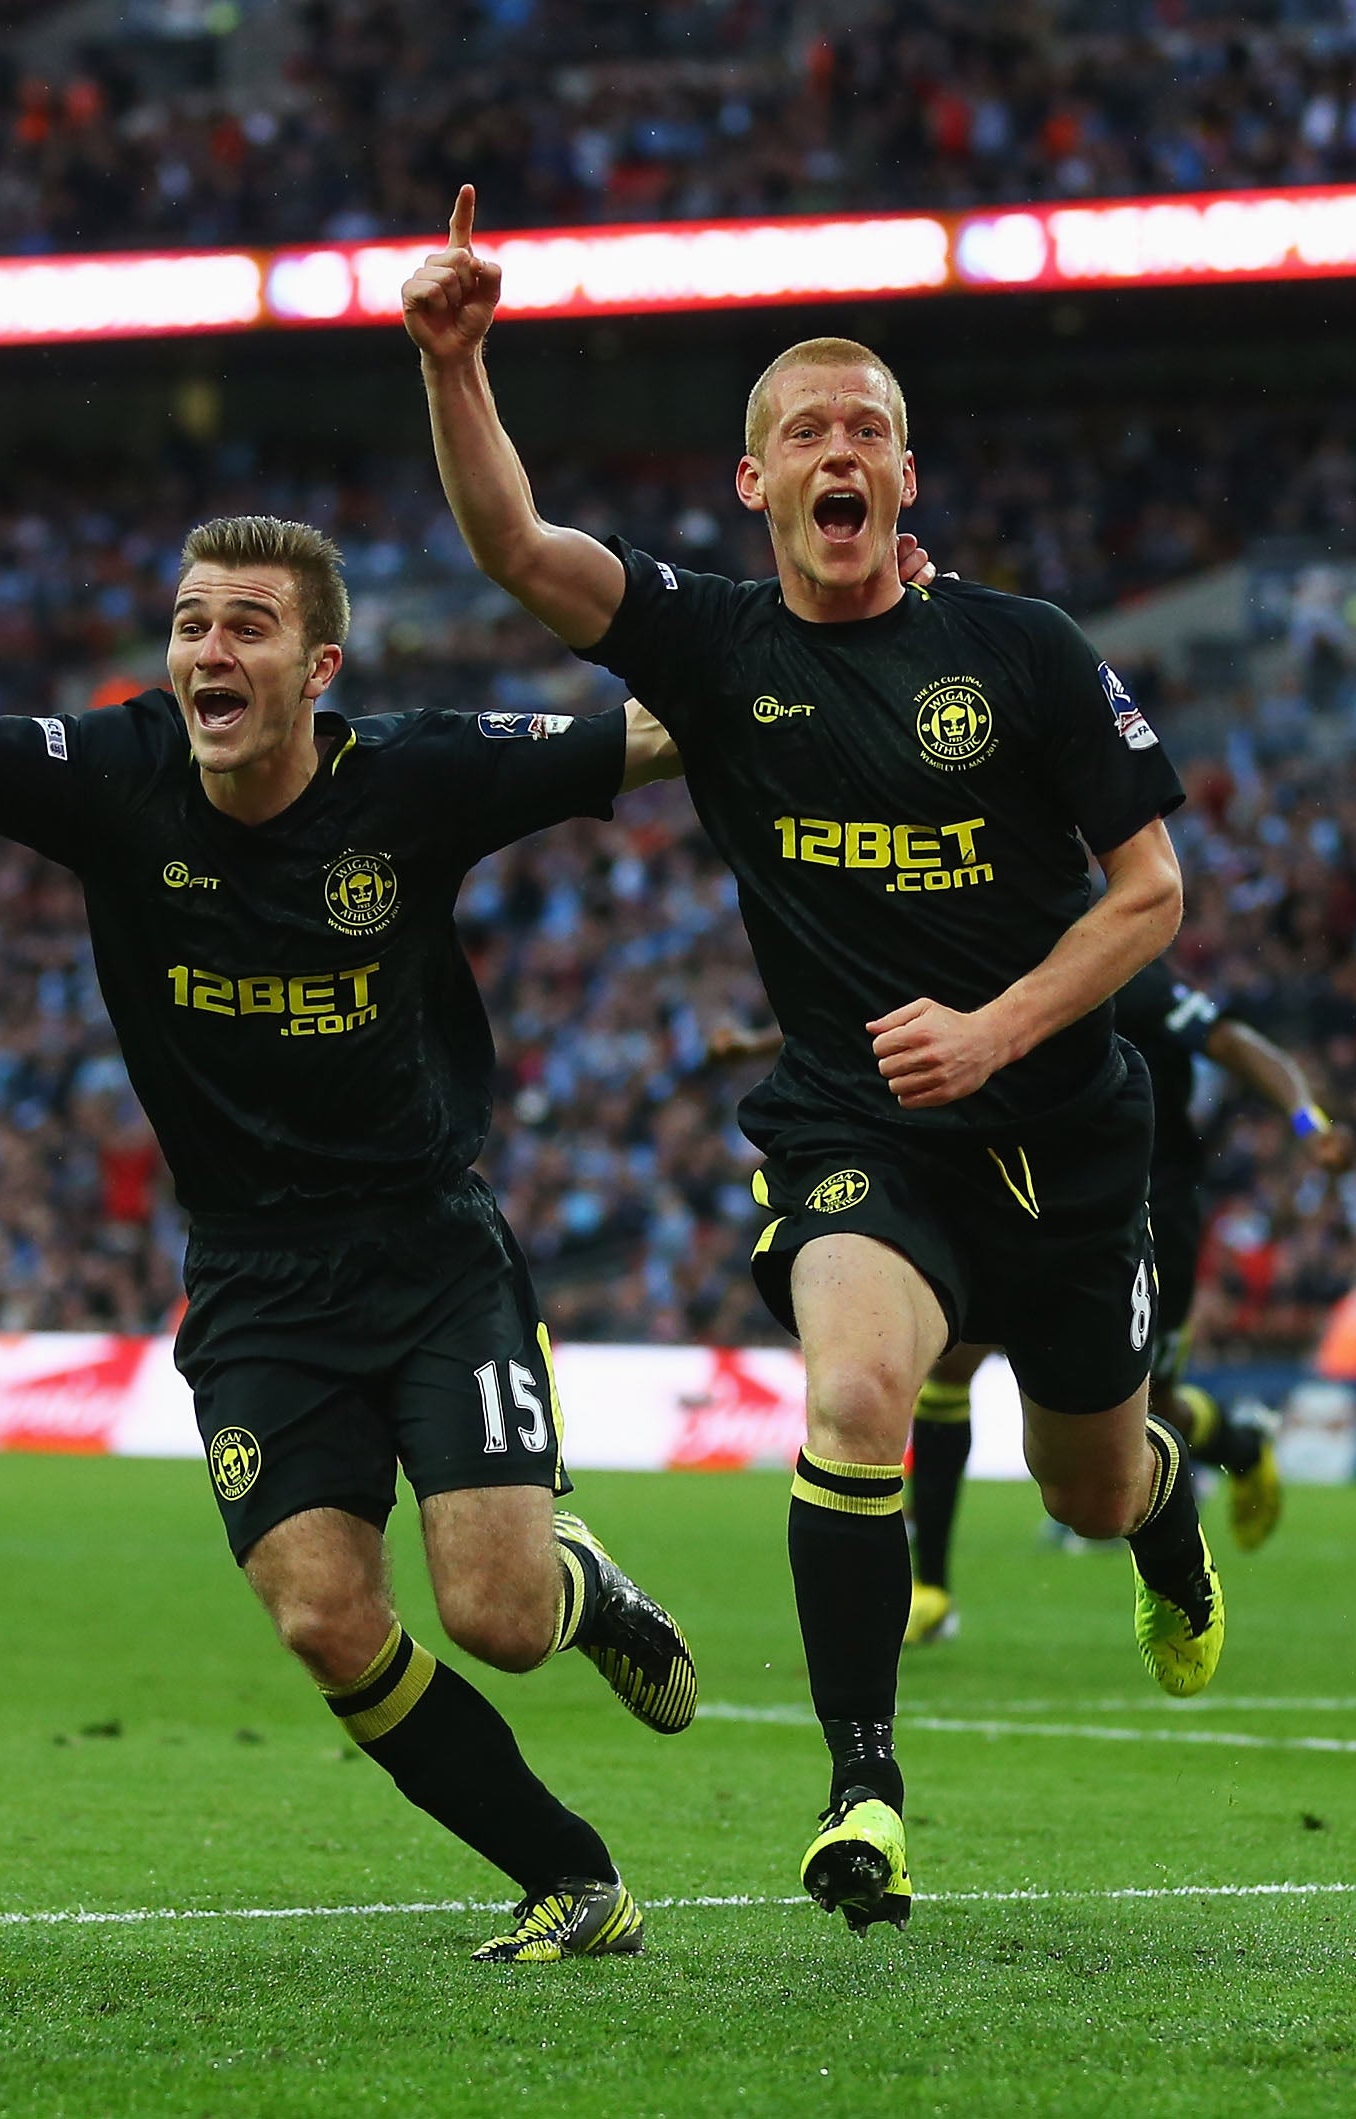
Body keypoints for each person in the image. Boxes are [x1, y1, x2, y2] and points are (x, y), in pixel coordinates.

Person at [0, 469, 697, 1964]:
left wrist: (807, 654)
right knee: (325, 1618)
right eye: (190, 623)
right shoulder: (118, 774)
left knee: (498, 1616)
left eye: (250, 628)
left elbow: (657, 734)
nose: (209, 652)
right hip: (254, 1282)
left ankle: (576, 1581)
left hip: (429, 1252)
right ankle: (570, 1874)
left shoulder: (415, 775)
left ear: (319, 667)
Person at [407, 188, 1203, 1933]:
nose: (838, 452)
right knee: (853, 1396)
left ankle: (1162, 1505)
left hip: (1065, 1132)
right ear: (753, 484)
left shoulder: (1025, 651)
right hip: (859, 1124)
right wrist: (457, 364)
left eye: (868, 430)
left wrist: (998, 1023)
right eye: (802, 432)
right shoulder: (713, 643)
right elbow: (524, 549)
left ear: (908, 480)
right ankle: (865, 1789)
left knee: (1084, 1473)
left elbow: (1153, 894)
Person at [720, 961, 1356, 1645]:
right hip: (1004, 1185)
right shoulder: (980, 943)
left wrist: (1307, 1119)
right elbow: (870, 1008)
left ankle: (1235, 1442)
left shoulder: (1122, 971)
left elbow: (1234, 1042)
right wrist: (760, 1043)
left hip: (1139, 1210)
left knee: (1152, 1409)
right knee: (949, 1365)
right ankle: (932, 1586)